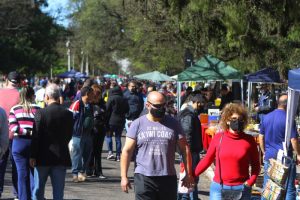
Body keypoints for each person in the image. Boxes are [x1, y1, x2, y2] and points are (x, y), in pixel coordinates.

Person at [120, 91, 194, 200]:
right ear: (148, 105)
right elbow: (127, 151)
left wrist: (188, 174)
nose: (161, 108)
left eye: (164, 105)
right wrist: (124, 177)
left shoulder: (174, 123)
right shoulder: (137, 124)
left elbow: (184, 149)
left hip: (167, 177)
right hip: (144, 177)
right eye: (157, 106)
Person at [194, 103, 260, 199]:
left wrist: (250, 182)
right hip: (219, 188)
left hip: (242, 188)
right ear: (227, 121)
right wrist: (192, 175)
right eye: (234, 119)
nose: (237, 122)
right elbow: (207, 160)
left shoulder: (249, 140)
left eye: (240, 119)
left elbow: (256, 165)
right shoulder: (218, 138)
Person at [29, 84, 74, 200]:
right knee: (58, 193)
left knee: (38, 190)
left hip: (42, 157)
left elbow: (36, 136)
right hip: (61, 156)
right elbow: (69, 135)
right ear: (59, 97)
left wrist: (32, 155)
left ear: (47, 97)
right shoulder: (68, 114)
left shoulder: (40, 113)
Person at [259, 94, 300, 200]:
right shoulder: (288, 120)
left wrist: (264, 152)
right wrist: (299, 154)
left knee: (268, 187)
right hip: (285, 157)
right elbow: (294, 140)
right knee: (289, 188)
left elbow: (261, 137)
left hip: (270, 156)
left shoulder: (266, 117)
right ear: (288, 105)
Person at [9, 87, 40, 200]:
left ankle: (23, 197)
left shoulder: (14, 109)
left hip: (19, 144)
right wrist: (32, 132)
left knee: (21, 174)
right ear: (32, 96)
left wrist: (26, 132)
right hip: (34, 144)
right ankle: (34, 197)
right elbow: (42, 128)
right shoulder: (38, 109)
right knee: (34, 174)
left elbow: (13, 128)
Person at [177, 94, 204, 200]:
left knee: (190, 176)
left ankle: (191, 197)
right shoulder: (188, 115)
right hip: (189, 152)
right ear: (195, 102)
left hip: (190, 151)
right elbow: (187, 136)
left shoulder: (190, 114)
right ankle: (185, 197)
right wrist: (187, 152)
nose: (201, 106)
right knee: (188, 177)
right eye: (200, 104)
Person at [0, 71, 21, 199]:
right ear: (18, 82)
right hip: (16, 134)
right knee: (16, 165)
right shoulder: (20, 95)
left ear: (7, 80)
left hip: (1, 133)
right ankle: (17, 193)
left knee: (1, 164)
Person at [69, 86, 94, 182]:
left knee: (87, 154)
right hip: (78, 134)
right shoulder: (77, 104)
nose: (93, 96)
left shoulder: (90, 105)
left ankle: (82, 172)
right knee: (77, 154)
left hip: (88, 134)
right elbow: (70, 118)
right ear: (87, 94)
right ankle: (75, 173)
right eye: (92, 94)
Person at [87, 84, 107, 179]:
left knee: (98, 151)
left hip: (101, 128)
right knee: (91, 150)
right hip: (92, 129)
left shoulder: (103, 103)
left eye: (100, 93)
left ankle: (98, 171)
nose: (99, 94)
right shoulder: (89, 104)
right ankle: (89, 170)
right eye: (97, 93)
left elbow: (106, 115)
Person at [106, 86, 129, 161]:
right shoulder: (124, 99)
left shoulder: (111, 98)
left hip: (111, 120)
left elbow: (107, 109)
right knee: (118, 138)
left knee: (109, 136)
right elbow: (127, 110)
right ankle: (118, 155)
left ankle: (110, 152)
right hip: (121, 120)